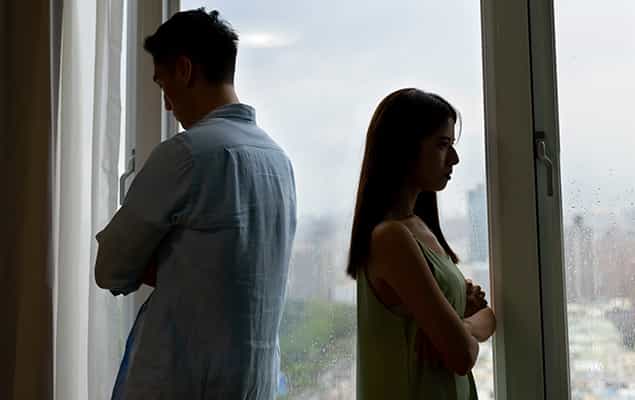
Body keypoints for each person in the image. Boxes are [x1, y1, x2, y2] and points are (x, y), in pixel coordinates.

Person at [94, 9, 297, 399]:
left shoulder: (186, 155)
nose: (167, 106)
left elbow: (110, 269)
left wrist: (169, 261)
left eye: (163, 83)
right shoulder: (279, 162)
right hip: (254, 384)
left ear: (185, 70)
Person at [348, 88, 496, 399]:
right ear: (403, 149)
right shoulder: (391, 239)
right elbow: (462, 355)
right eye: (442, 145)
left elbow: (488, 318)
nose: (454, 158)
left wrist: (460, 326)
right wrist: (464, 328)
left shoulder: (418, 229)